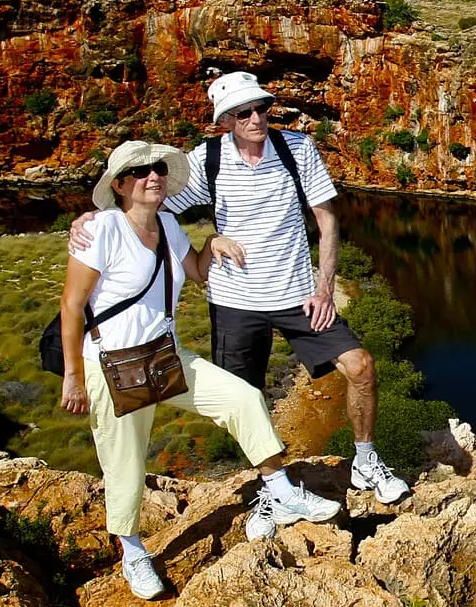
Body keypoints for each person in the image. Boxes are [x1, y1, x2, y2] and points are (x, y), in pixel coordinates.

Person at [72, 71, 411, 505]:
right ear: (226, 120)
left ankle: (365, 460)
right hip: (235, 303)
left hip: (298, 296)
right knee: (245, 400)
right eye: (243, 112)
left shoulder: (297, 150)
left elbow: (327, 221)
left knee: (360, 365)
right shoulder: (206, 160)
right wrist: (93, 218)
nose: (256, 118)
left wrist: (324, 287)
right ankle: (273, 492)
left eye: (261, 108)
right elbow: (146, 202)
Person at [60, 140, 340, 600]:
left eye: (158, 170)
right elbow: (71, 307)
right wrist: (74, 376)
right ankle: (132, 551)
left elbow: (197, 273)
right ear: (120, 186)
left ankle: (281, 489)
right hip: (112, 364)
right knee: (125, 462)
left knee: (243, 398)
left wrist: (213, 242)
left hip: (165, 355)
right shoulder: (101, 231)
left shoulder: (168, 224)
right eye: (141, 172)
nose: (154, 177)